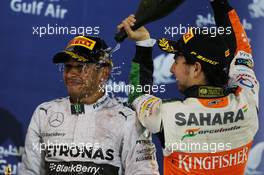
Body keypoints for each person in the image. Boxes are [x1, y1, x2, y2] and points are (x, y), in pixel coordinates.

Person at [121, 0, 259, 174]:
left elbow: (137, 97)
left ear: (195, 68)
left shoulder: (167, 114)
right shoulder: (247, 101)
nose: (172, 69)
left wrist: (143, 45)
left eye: (176, 61)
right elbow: (241, 48)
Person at [19, 35, 159, 175]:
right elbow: (29, 171)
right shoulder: (44, 113)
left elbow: (143, 172)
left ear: (103, 73)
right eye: (68, 67)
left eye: (81, 67)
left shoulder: (128, 120)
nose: (71, 74)